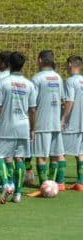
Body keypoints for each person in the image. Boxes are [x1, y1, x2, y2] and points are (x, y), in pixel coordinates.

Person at [0, 51, 37, 204]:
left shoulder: (3, 82)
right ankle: (17, 193)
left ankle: (6, 184)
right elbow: (32, 110)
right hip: (23, 126)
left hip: (6, 125)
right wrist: (32, 129)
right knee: (20, 158)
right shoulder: (29, 84)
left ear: (9, 64)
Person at [27, 50, 64, 197]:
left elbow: (32, 105)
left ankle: (43, 185)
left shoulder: (37, 79)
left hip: (42, 122)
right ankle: (52, 183)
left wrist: (32, 126)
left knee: (41, 155)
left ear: (40, 60)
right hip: (55, 121)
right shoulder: (58, 78)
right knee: (55, 154)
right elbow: (62, 100)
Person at [60, 55, 83, 191]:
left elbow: (70, 101)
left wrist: (63, 118)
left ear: (69, 64)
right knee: (80, 153)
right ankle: (80, 182)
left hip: (73, 123)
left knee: (60, 151)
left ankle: (60, 182)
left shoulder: (70, 81)